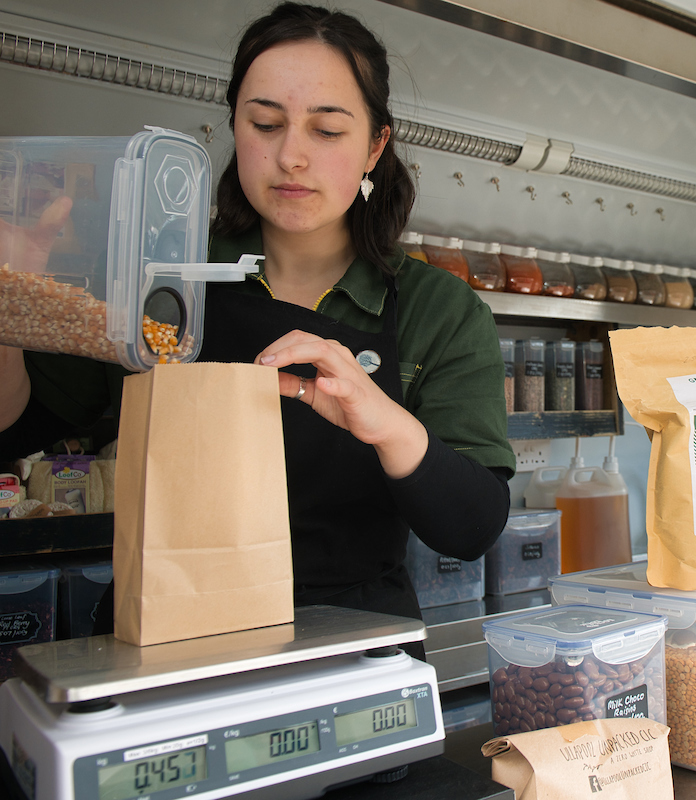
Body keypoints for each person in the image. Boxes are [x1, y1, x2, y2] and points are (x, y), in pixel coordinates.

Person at [0, 3, 516, 657]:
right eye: (265, 123)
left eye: (326, 131)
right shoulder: (153, 276)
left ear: (375, 146)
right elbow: (20, 426)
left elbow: (471, 525)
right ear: (235, 127)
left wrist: (382, 419)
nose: (290, 156)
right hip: (159, 644)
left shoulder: (436, 310)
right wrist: (11, 308)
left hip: (355, 656)